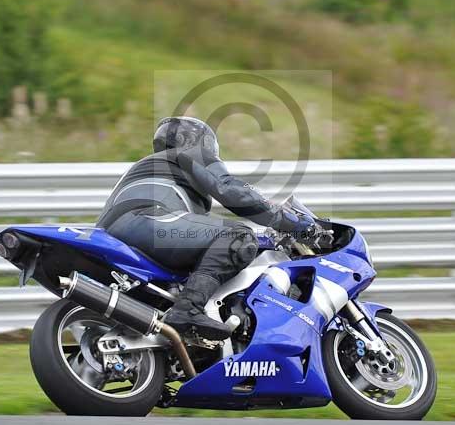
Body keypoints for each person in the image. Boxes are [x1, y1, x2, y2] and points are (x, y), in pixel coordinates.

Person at [96, 116, 314, 340]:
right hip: (146, 220)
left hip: (115, 231)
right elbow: (230, 189)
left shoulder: (149, 166)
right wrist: (287, 219)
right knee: (237, 236)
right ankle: (188, 310)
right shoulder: (190, 154)